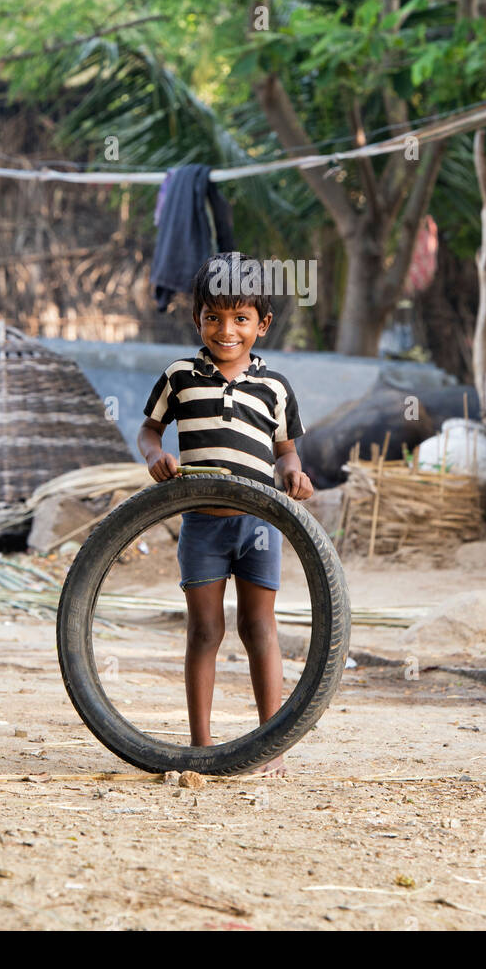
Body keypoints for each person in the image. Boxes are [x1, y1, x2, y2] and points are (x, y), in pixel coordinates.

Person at [137, 252, 313, 776]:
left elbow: (285, 452)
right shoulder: (179, 376)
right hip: (201, 524)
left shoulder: (275, 387)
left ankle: (271, 745)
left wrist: (293, 475)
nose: (226, 330)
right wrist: (155, 458)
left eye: (240, 318)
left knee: (259, 627)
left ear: (263, 323)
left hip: (259, 525)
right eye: (213, 316)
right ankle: (202, 746)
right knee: (204, 631)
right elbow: (150, 431)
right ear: (197, 319)